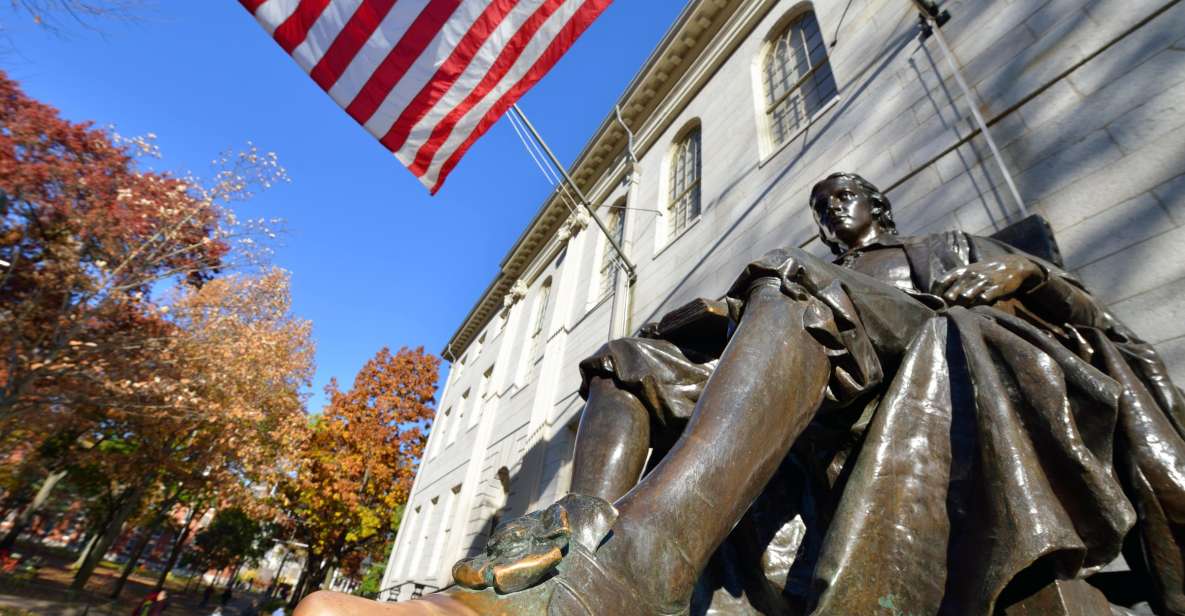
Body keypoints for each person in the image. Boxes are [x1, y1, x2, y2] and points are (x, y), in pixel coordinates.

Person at [295, 173, 1185, 616]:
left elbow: (1060, 302)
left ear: (876, 205)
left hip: (934, 360)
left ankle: (623, 580)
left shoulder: (931, 248)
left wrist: (1019, 267)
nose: (831, 211)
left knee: (799, 287)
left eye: (844, 197)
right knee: (627, 359)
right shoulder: (807, 275)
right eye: (822, 204)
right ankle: (570, 560)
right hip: (818, 378)